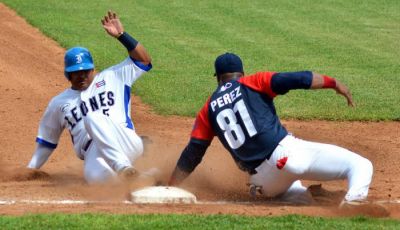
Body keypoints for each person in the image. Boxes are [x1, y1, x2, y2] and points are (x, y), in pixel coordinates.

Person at [169, 52, 373, 205]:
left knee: (293, 192)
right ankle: (353, 202)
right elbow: (300, 79)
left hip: (263, 183)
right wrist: (334, 83)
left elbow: (192, 154)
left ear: (218, 78)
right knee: (360, 165)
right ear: (242, 73)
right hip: (287, 155)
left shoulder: (208, 109)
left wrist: (171, 186)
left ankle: (309, 196)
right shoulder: (253, 82)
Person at [27, 11, 152, 184]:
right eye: (76, 73)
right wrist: (30, 170)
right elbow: (47, 142)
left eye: (85, 71)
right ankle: (148, 176)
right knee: (103, 182)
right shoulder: (58, 103)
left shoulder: (113, 76)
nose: (82, 76)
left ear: (93, 69)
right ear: (67, 74)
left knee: (92, 117)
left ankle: (123, 166)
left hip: (123, 138)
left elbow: (144, 61)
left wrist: (122, 36)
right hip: (93, 152)